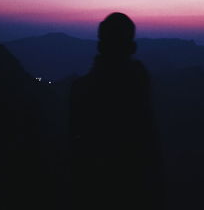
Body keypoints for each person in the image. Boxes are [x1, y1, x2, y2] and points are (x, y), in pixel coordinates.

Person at [69, 12, 162, 210]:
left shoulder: (83, 89)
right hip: (135, 186)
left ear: (102, 43)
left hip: (95, 187)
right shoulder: (139, 82)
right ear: (130, 44)